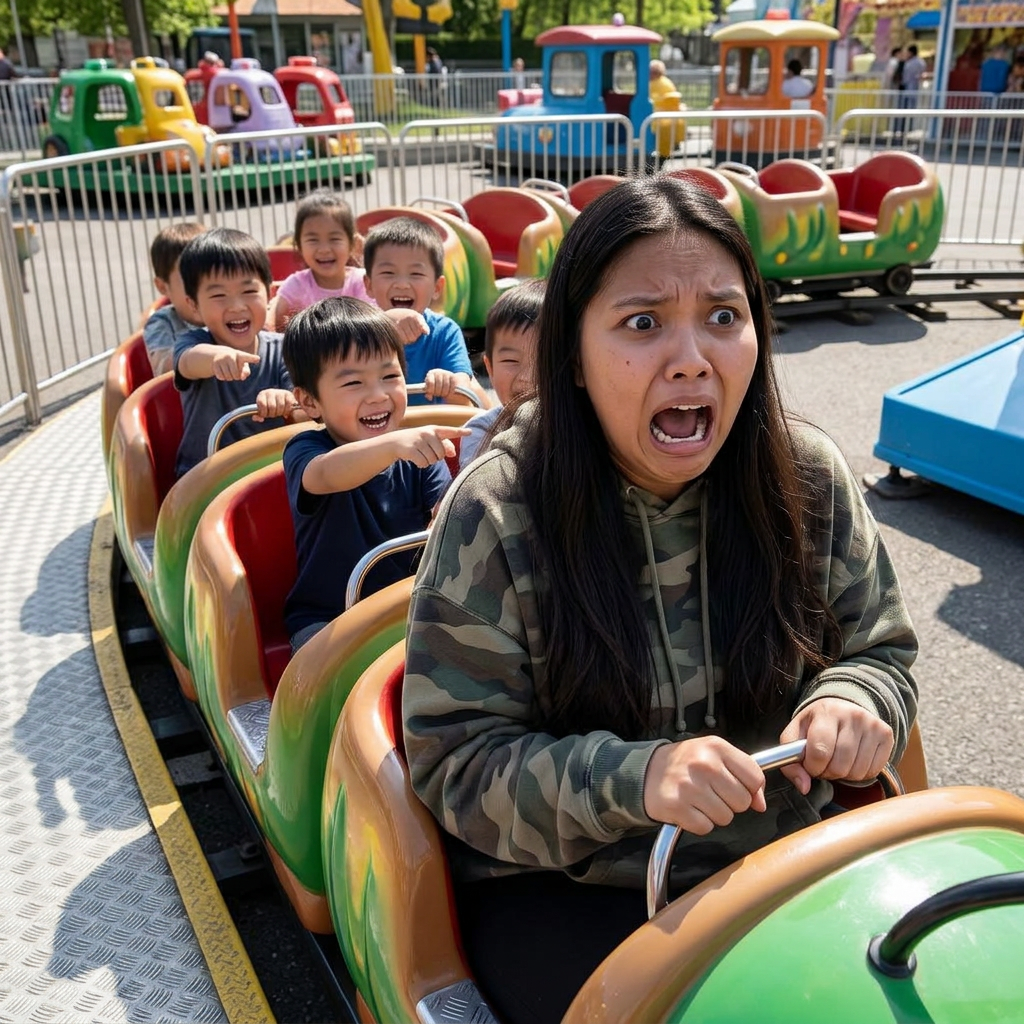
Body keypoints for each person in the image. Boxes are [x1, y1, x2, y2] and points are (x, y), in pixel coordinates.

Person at [403, 176, 918, 1024]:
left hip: (783, 858)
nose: (692, 358)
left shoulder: (806, 474)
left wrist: (855, 698)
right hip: (574, 884)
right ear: (571, 351)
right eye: (643, 324)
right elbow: (458, 766)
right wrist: (635, 779)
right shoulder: (497, 509)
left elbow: (881, 649)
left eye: (724, 317)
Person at [281, 297, 469, 652]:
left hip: (409, 608)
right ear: (309, 402)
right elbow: (326, 475)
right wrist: (393, 446)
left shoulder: (417, 452)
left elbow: (444, 513)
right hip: (330, 616)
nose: (378, 395)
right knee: (322, 670)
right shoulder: (306, 450)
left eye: (389, 376)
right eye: (354, 383)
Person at [173, 228, 300, 478]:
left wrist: (285, 400)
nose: (237, 306)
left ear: (269, 294)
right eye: (219, 295)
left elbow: (306, 405)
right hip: (204, 477)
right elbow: (188, 362)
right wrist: (216, 358)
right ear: (194, 306)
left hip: (269, 474)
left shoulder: (285, 347)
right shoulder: (194, 342)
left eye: (249, 292)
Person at [362, 216, 488, 408]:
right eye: (388, 273)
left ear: (438, 287)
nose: (402, 284)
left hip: (433, 430)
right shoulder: (356, 332)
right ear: (368, 285)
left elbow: (464, 396)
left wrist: (448, 382)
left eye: (416, 274)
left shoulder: (444, 331)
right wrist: (383, 327)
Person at [459, 279, 544, 469]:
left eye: (543, 361)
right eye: (511, 361)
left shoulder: (583, 428)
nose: (528, 377)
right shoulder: (480, 432)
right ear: (489, 369)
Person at [272, 189, 371, 331]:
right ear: (299, 245)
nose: (324, 249)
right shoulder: (295, 287)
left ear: (352, 244)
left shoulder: (363, 282)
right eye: (313, 240)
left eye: (334, 239)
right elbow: (279, 331)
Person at [144, 222, 206, 375]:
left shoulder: (229, 311)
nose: (203, 287)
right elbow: (163, 370)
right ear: (163, 287)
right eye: (190, 279)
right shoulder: (162, 322)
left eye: (210, 276)